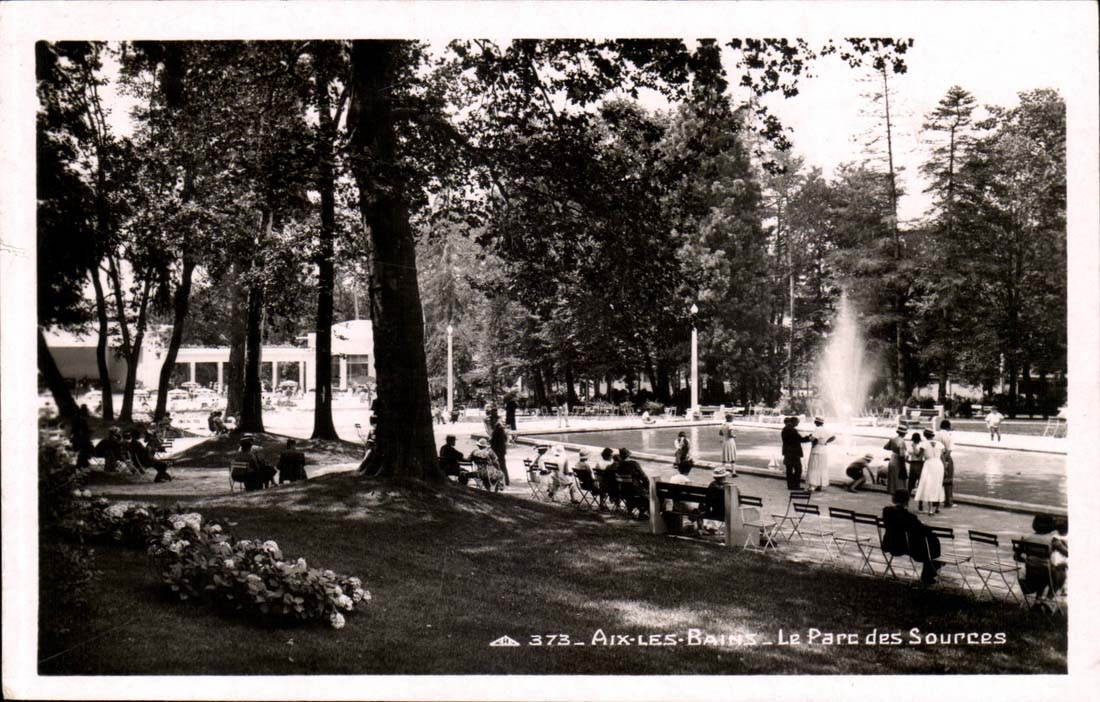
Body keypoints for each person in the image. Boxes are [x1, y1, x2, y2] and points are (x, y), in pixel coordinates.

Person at [881, 489, 942, 585]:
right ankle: (929, 573)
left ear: (894, 499)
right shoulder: (909, 517)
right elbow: (922, 530)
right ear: (907, 501)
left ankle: (932, 569)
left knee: (929, 543)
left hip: (889, 544)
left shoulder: (887, 512)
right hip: (904, 546)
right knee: (933, 542)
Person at [1016, 514, 1068, 609]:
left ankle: (1038, 600)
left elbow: (1016, 557)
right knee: (1060, 569)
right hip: (1045, 576)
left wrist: (1029, 560)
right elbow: (1067, 553)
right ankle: (1048, 599)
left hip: (1029, 578)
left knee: (1042, 568)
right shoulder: (1053, 540)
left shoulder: (1025, 538)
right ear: (1050, 526)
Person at [914, 429, 945, 514]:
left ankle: (930, 509)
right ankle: (937, 507)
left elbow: (918, 455)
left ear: (925, 435)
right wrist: (945, 467)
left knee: (929, 484)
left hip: (929, 464)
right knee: (938, 484)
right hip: (938, 464)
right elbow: (942, 456)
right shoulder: (939, 444)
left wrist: (914, 447)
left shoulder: (923, 444)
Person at [805, 416, 836, 492]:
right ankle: (820, 484)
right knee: (822, 468)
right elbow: (833, 437)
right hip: (823, 450)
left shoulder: (817, 429)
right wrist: (826, 442)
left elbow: (813, 439)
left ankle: (812, 486)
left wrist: (809, 436)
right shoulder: (827, 429)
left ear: (816, 422)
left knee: (814, 467)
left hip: (816, 449)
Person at [615, 448, 649, 516]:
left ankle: (631, 508)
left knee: (636, 493)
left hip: (623, 490)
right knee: (647, 494)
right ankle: (642, 511)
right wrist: (647, 484)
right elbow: (643, 476)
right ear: (628, 455)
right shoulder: (634, 464)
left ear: (621, 456)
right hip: (635, 489)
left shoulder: (619, 466)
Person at [781, 416, 812, 490]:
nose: (798, 423)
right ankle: (795, 485)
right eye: (797, 422)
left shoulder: (785, 429)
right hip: (793, 453)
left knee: (789, 469)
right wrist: (809, 438)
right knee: (798, 469)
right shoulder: (792, 430)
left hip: (787, 452)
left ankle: (791, 485)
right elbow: (800, 439)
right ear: (793, 422)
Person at [883, 424, 909, 495]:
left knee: (892, 475)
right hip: (898, 459)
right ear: (904, 434)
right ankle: (898, 490)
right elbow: (902, 454)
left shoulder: (892, 439)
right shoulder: (902, 442)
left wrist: (893, 449)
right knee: (899, 475)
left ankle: (891, 490)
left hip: (893, 457)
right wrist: (903, 464)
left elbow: (885, 447)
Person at [938, 419, 956, 507]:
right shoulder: (948, 436)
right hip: (945, 458)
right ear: (948, 427)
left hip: (936, 458)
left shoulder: (936, 434)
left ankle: (936, 500)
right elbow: (949, 451)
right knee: (948, 480)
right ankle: (948, 501)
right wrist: (944, 461)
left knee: (938, 480)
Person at [490, 419, 510, 486]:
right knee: (503, 466)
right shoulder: (502, 432)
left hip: (496, 452)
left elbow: (492, 443)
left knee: (496, 466)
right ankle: (506, 481)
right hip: (501, 452)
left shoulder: (495, 433)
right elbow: (505, 440)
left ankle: (498, 480)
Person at [906, 432, 926, 496]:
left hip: (912, 463)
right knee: (920, 479)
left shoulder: (911, 446)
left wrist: (908, 461)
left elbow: (907, 457)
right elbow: (919, 455)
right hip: (920, 463)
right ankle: (919, 495)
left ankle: (909, 494)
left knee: (911, 480)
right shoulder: (921, 446)